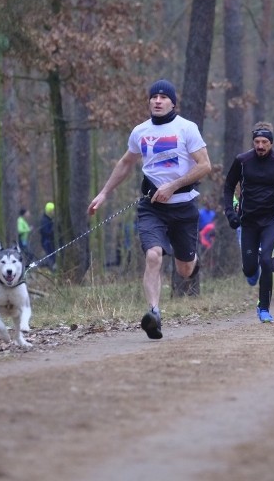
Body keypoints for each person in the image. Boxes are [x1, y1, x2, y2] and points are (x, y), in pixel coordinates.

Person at [88, 79, 211, 340]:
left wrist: (172, 186)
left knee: (184, 270)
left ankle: (193, 261)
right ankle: (154, 313)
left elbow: (204, 166)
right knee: (153, 256)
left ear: (173, 102)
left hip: (183, 206)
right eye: (153, 97)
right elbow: (126, 162)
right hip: (152, 207)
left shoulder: (187, 128)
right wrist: (104, 193)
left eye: (163, 97)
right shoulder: (140, 131)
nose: (157, 100)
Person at [222, 122, 274, 322]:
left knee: (267, 261)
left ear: (271, 143)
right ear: (253, 142)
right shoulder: (242, 160)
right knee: (250, 269)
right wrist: (230, 213)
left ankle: (264, 307)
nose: (260, 145)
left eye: (264, 142)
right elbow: (228, 186)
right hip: (247, 220)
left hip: (271, 220)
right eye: (257, 141)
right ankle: (251, 269)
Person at [39, 202, 56, 270]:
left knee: (51, 256)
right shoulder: (45, 220)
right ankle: (50, 269)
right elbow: (46, 231)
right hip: (47, 241)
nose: (53, 212)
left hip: (49, 241)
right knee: (50, 256)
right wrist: (52, 232)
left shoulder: (49, 219)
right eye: (52, 211)